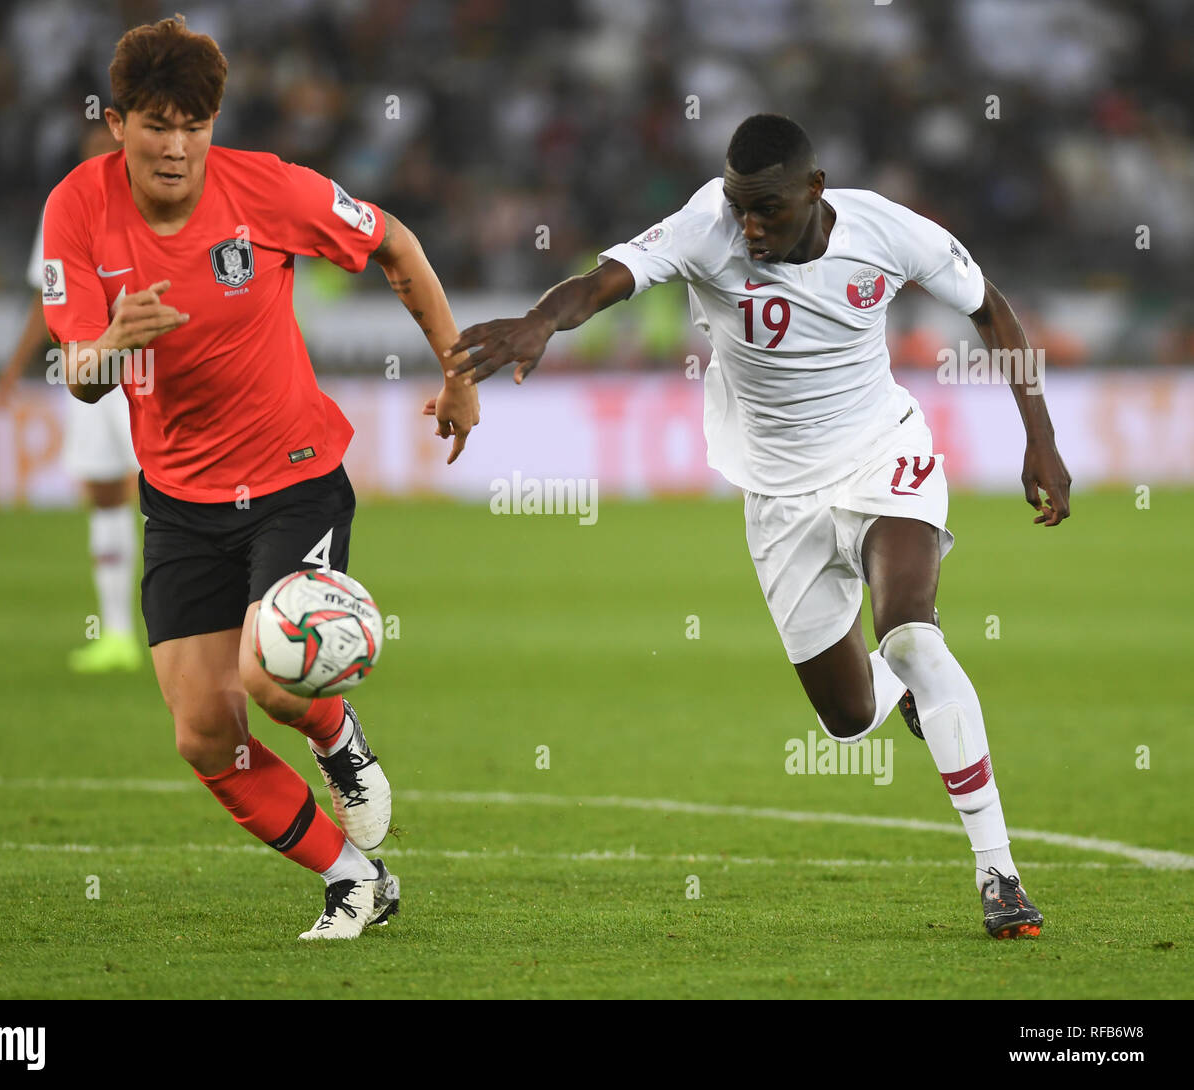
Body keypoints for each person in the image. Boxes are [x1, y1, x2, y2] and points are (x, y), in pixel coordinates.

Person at [446, 114, 1070, 940]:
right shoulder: (708, 224)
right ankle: (905, 689)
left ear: (814, 190)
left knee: (914, 633)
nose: (750, 225)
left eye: (767, 208)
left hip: (883, 454)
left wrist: (1042, 436)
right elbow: (602, 281)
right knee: (848, 720)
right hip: (777, 500)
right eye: (741, 207)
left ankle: (999, 874)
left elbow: (990, 309)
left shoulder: (886, 229)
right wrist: (540, 322)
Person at [40, 15, 479, 939]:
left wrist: (455, 371)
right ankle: (356, 878)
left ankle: (338, 739)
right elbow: (78, 376)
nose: (177, 146)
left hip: (294, 475)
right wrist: (109, 347)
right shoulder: (76, 209)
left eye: (194, 125)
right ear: (116, 124)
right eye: (157, 125)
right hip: (180, 502)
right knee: (203, 732)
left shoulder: (267, 188)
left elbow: (395, 243)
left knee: (271, 679)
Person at [0, 124, 143, 675]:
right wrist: (15, 368)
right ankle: (118, 632)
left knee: (180, 490)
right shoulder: (68, 205)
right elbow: (46, 299)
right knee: (105, 491)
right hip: (90, 369)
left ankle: (190, 625)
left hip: (154, 371)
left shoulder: (160, 200)